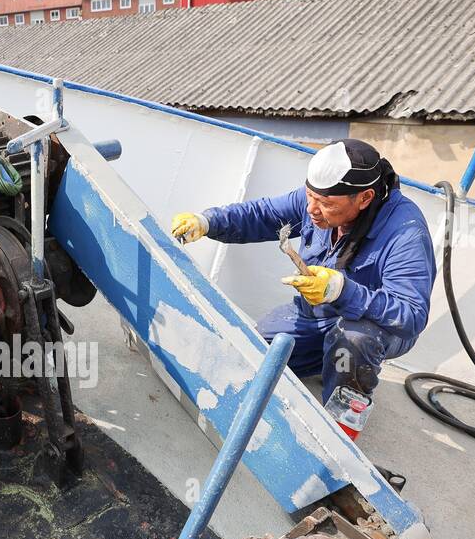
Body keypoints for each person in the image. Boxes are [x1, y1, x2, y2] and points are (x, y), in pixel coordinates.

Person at [172, 139, 435, 411]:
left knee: (353, 341)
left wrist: (341, 290)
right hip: (316, 315)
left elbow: (411, 315)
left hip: (373, 327)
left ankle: (342, 422)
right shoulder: (317, 198)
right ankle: (328, 360)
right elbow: (264, 214)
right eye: (310, 196)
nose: (311, 209)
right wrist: (208, 222)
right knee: (251, 359)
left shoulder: (406, 231)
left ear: (365, 198)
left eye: (325, 203)